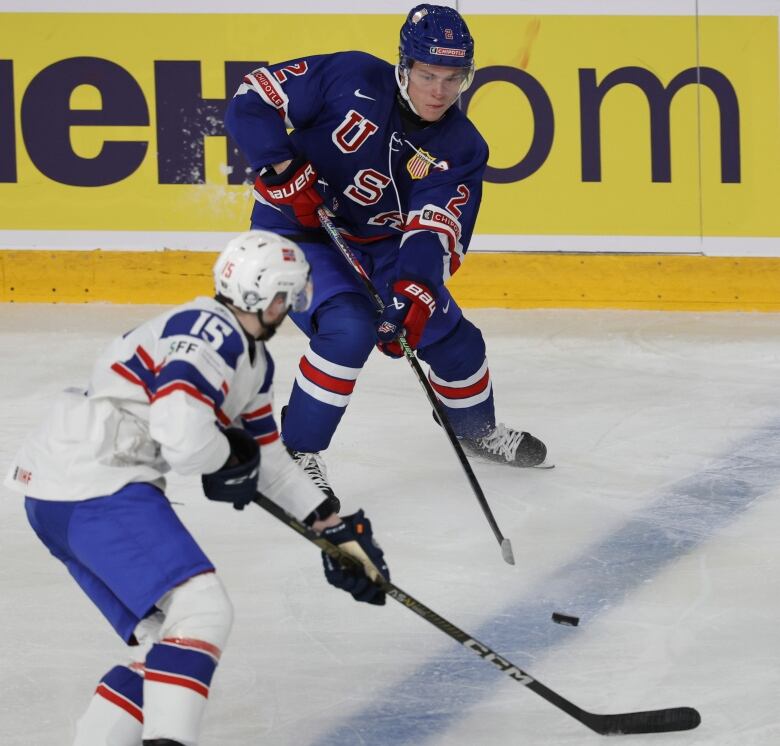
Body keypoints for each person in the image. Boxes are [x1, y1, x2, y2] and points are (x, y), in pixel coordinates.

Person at [4, 230, 389, 746]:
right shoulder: (212, 332)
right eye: (288, 295)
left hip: (62, 491)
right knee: (202, 610)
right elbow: (181, 434)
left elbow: (267, 457)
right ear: (268, 296)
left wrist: (331, 527)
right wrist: (228, 455)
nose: (291, 307)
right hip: (95, 483)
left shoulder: (243, 352)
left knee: (161, 645)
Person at [224, 3, 548, 501]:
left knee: (453, 339)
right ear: (404, 67)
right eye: (427, 75)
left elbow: (433, 230)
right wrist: (281, 168)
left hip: (383, 247)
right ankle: (296, 453)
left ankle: (476, 430)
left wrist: (411, 292)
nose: (439, 91)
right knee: (347, 329)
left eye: (452, 78)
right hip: (296, 230)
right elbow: (252, 98)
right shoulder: (346, 75)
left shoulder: (460, 146)